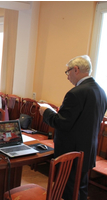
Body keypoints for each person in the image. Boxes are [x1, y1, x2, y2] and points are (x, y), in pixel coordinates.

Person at [39, 55, 107, 200]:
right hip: (88, 150)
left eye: (67, 71)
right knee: (80, 188)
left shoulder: (76, 93)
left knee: (68, 189)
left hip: (71, 151)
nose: (67, 76)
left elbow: (61, 123)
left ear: (75, 69)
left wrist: (46, 111)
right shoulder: (101, 92)